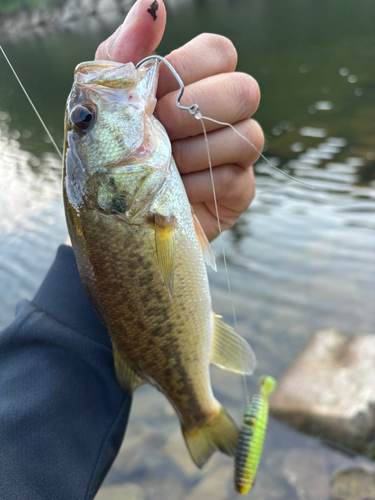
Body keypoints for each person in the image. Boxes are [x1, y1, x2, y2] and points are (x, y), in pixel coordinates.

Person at [0, 1, 263, 498]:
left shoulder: (127, 198)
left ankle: (197, 416)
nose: (86, 110)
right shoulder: (125, 198)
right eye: (86, 119)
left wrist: (76, 323)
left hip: (125, 300)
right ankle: (200, 417)